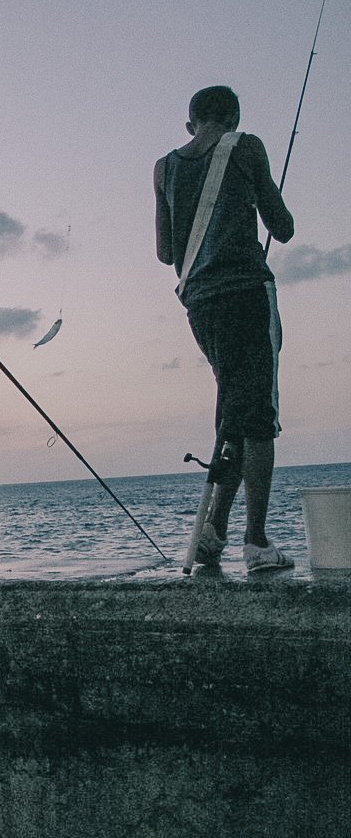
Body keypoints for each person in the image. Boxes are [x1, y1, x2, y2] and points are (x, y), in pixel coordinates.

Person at [154, 85, 295, 573]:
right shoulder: (247, 146)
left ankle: (213, 529)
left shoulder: (165, 167)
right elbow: (283, 224)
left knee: (232, 404)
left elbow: (167, 253)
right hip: (245, 293)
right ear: (233, 117)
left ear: (191, 122)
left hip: (199, 303)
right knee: (258, 414)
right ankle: (255, 543)